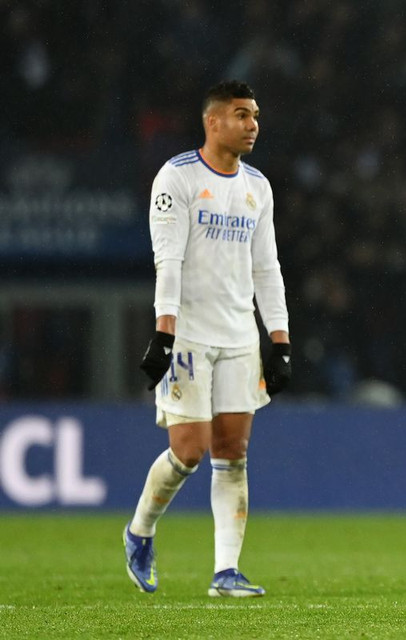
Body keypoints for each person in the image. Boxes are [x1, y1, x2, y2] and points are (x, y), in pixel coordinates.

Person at [124, 80, 292, 598]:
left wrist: (280, 340)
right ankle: (140, 531)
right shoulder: (176, 178)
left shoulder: (257, 186)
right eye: (242, 115)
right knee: (189, 451)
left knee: (232, 451)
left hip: (239, 334)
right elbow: (167, 259)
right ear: (212, 121)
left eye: (256, 115)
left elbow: (267, 267)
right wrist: (164, 331)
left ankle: (226, 573)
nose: (253, 125)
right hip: (190, 336)